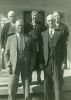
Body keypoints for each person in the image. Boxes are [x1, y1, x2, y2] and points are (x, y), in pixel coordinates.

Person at [4, 20, 34, 100]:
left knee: (26, 84)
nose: (20, 27)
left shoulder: (28, 37)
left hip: (26, 64)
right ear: (15, 27)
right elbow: (6, 54)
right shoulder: (10, 38)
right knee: (12, 85)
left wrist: (31, 63)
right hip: (14, 64)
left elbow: (33, 52)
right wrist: (8, 65)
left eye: (22, 26)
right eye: (19, 26)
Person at [42, 14, 68, 100]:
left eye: (52, 20)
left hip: (57, 60)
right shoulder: (43, 34)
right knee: (47, 82)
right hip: (47, 61)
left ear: (55, 21)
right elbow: (42, 50)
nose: (50, 22)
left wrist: (64, 62)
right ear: (47, 22)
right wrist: (41, 62)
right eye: (49, 21)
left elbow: (64, 49)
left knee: (57, 82)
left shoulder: (60, 33)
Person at [29, 11, 47, 84]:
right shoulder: (28, 25)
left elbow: (46, 34)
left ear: (38, 17)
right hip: (30, 46)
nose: (34, 17)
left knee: (39, 63)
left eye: (36, 16)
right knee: (31, 63)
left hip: (39, 46)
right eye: (33, 16)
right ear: (31, 17)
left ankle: (39, 78)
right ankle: (29, 79)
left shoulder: (42, 25)